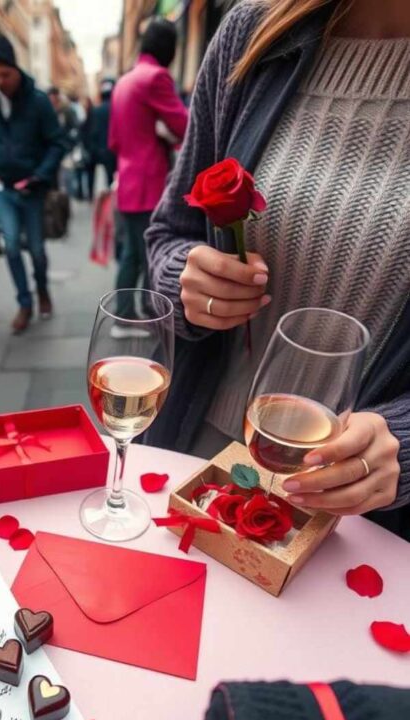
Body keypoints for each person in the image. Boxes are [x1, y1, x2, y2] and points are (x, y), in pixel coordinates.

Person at [146, 0, 410, 538]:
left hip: (360, 518)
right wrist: (186, 283)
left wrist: (406, 442)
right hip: (199, 449)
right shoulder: (252, 33)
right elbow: (168, 234)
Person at [0, 36, 64, 334]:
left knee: (37, 251)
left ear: (16, 69)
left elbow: (57, 143)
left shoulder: (39, 101)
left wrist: (40, 175)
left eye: (5, 74)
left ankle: (42, 290)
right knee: (12, 246)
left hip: (32, 191)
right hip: (3, 190)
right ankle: (25, 303)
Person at [108, 19, 188, 320]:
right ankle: (136, 316)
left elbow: (114, 140)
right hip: (148, 182)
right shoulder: (155, 78)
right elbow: (186, 125)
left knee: (132, 252)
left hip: (128, 179)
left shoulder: (124, 81)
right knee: (146, 255)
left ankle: (129, 312)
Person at [90, 79, 116, 191]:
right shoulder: (118, 107)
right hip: (117, 151)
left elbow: (93, 133)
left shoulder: (96, 110)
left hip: (103, 151)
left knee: (108, 182)